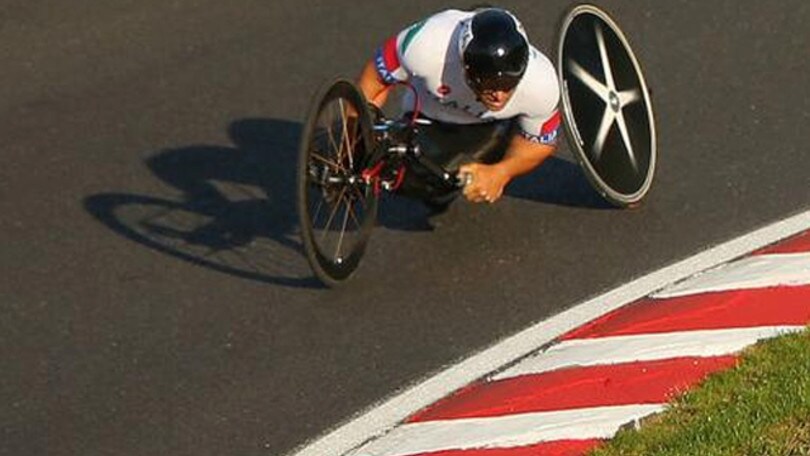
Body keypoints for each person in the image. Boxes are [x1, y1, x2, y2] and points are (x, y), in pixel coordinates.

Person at [357, 7, 561, 205]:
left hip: (486, 127)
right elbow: (375, 79)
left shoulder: (542, 84)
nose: (499, 96)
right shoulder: (427, 45)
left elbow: (539, 144)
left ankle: (504, 133)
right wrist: (354, 133)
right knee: (393, 174)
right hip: (425, 114)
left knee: (439, 183)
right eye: (488, 84)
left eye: (509, 83)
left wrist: (501, 172)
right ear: (464, 66)